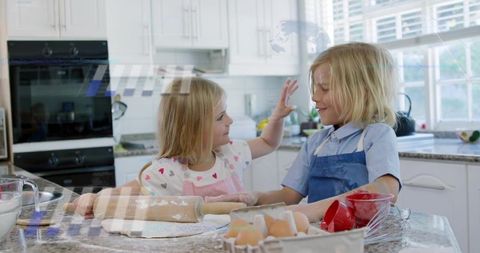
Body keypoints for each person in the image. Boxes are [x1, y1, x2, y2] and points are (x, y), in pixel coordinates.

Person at [206, 42, 402, 222]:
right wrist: (256, 197)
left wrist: (315, 210)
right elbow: (288, 197)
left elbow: (386, 189)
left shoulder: (377, 135)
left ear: (362, 91)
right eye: (315, 88)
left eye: (324, 88)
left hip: (366, 241)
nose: (315, 97)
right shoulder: (317, 143)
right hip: (322, 237)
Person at [69, 77, 298, 216]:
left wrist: (277, 117)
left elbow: (268, 142)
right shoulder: (166, 172)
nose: (230, 120)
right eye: (220, 116)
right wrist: (94, 198)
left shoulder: (231, 154)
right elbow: (124, 193)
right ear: (193, 128)